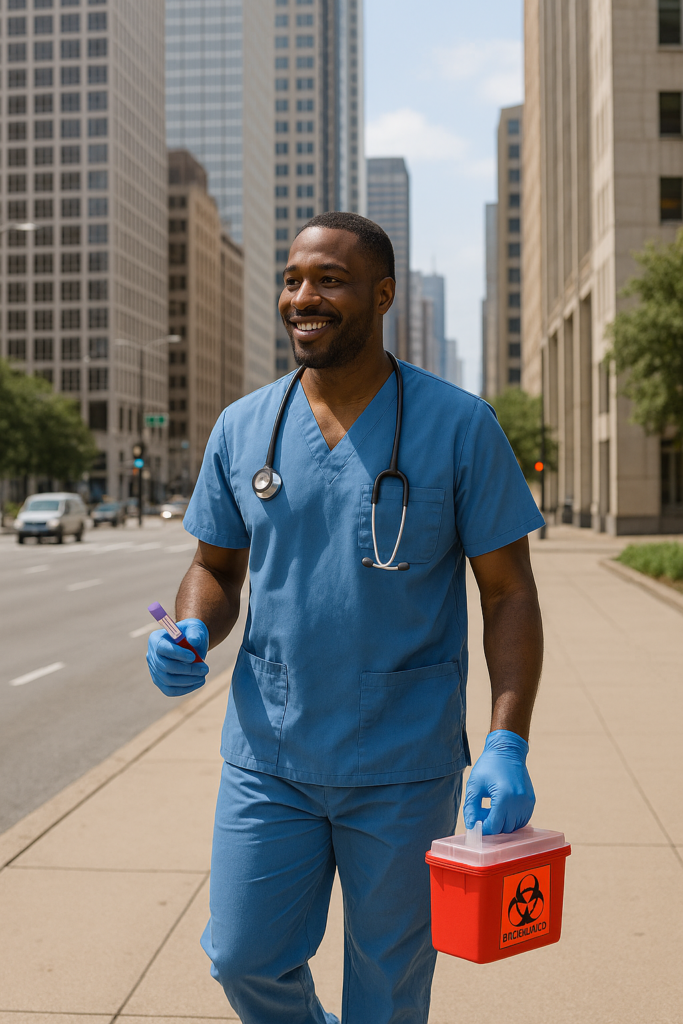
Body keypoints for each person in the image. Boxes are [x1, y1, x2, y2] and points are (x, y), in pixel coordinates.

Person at [147, 212, 545, 1024]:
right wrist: (193, 628)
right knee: (241, 957)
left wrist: (506, 742)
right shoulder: (244, 426)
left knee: (390, 986)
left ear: (383, 294)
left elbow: (507, 592)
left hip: (401, 760)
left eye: (328, 279)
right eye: (293, 280)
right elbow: (212, 568)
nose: (303, 296)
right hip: (271, 751)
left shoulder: (459, 425)